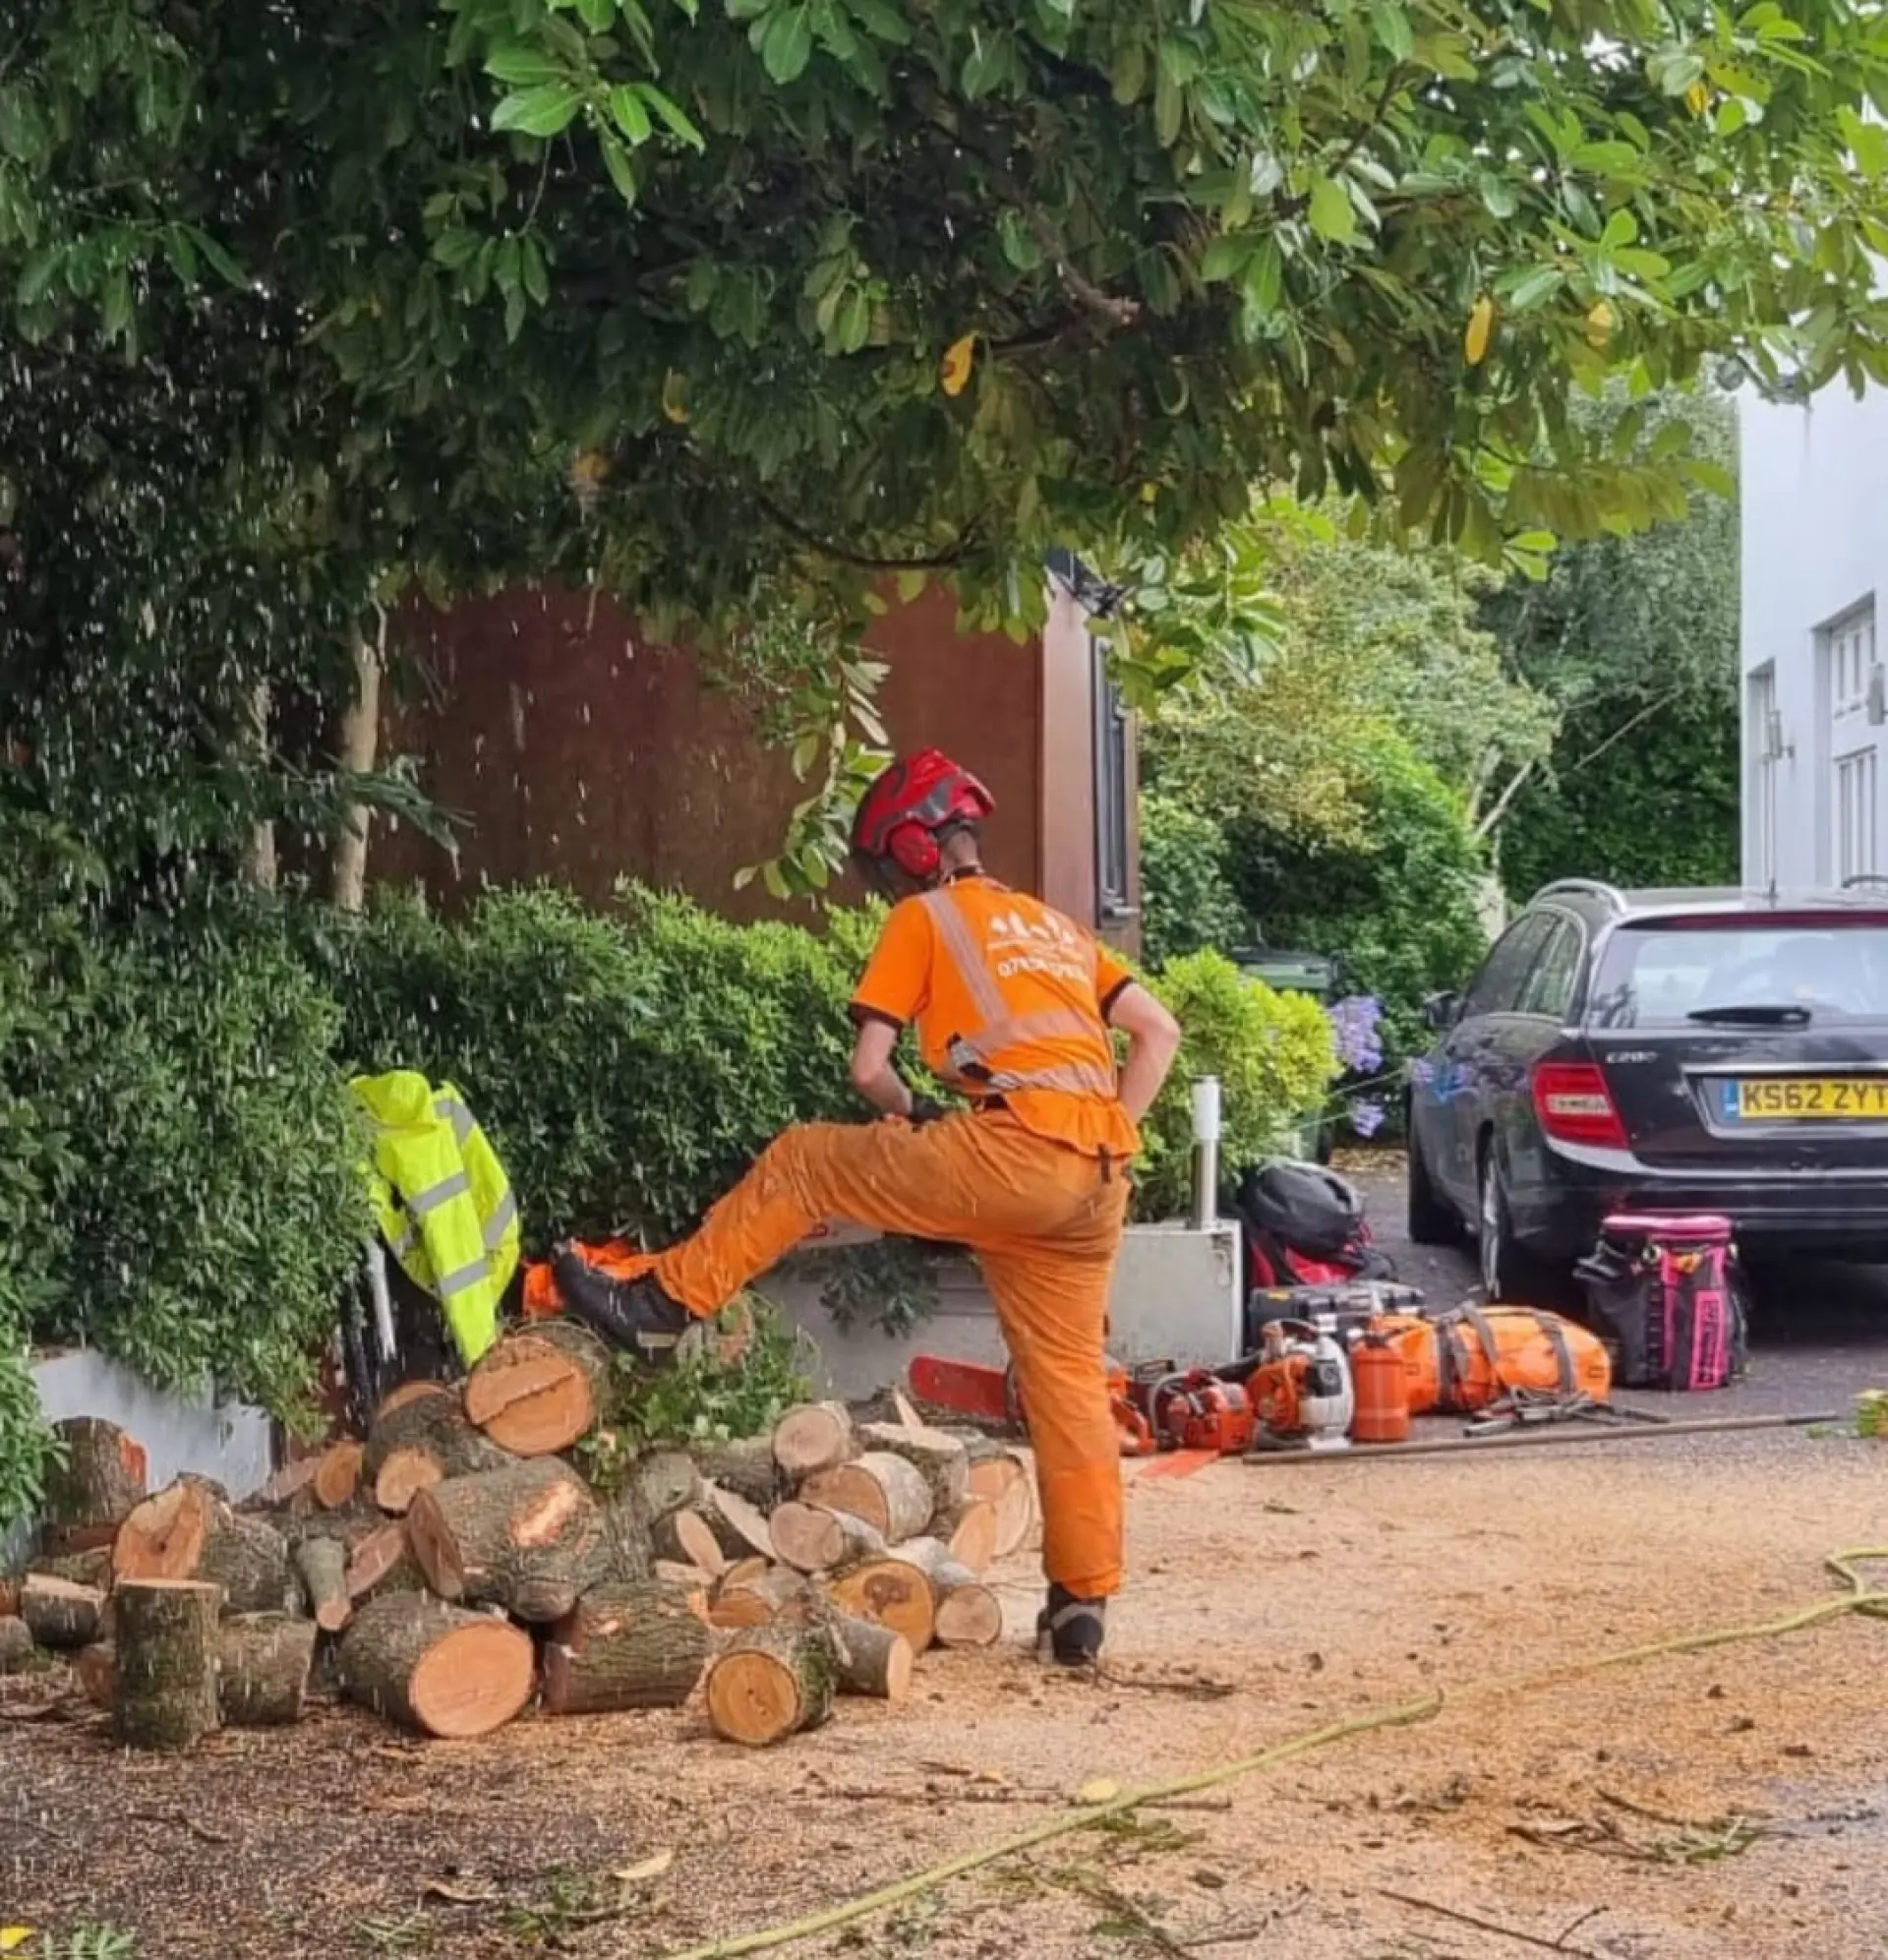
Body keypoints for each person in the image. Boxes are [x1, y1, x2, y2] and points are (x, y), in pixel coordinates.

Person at [554, 747, 1182, 1663]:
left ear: (915, 853)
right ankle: (1081, 1606)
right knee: (1071, 1385)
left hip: (1007, 1150)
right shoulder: (1053, 925)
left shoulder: (927, 918)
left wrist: (913, 1116)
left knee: (808, 1160)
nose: (889, 886)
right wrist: (1104, 1136)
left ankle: (658, 1307)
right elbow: (1157, 1031)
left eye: (888, 868)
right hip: (1094, 1178)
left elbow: (868, 1070)